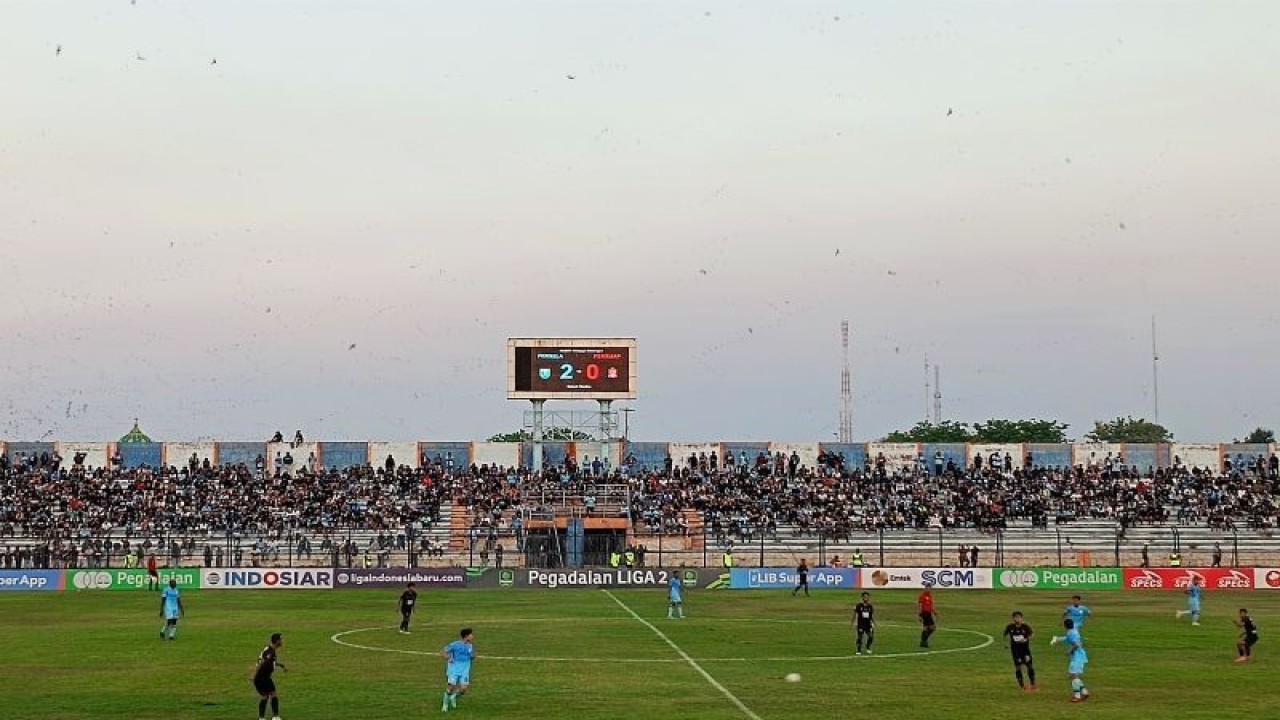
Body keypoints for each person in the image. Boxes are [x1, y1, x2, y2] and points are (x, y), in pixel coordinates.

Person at [1050, 619, 1090, 702]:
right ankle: (1084, 692)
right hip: (1079, 655)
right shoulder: (1073, 631)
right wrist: (1057, 639)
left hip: (1077, 656)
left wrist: (1069, 651)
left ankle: (1077, 696)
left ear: (1065, 626)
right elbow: (1067, 638)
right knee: (1074, 675)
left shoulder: (1071, 633)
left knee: (1073, 675)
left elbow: (1077, 644)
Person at [252, 633, 286, 720]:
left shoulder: (271, 650)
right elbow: (261, 663)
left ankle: (274, 716)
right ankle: (264, 718)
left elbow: (271, 662)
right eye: (281, 639)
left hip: (266, 677)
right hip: (261, 677)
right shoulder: (269, 652)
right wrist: (253, 676)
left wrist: (281, 665)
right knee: (266, 696)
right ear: (277, 641)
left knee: (272, 694)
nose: (282, 641)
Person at [440, 628, 475, 712]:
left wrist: (472, 656)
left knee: (463, 689)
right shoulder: (455, 644)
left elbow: (471, 656)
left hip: (465, 669)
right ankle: (445, 704)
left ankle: (453, 697)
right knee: (451, 687)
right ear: (466, 636)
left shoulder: (470, 645)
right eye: (471, 635)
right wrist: (449, 658)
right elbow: (442, 652)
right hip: (454, 668)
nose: (473, 636)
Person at [1003, 611, 1037, 691]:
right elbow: (1004, 635)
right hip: (1015, 651)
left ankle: (1032, 684)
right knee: (1018, 667)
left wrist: (1026, 639)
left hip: (1025, 650)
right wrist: (1006, 644)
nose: (1017, 619)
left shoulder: (1026, 626)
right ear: (1013, 618)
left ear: (1022, 618)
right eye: (1015, 617)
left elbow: (1032, 634)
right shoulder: (1010, 627)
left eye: (1019, 617)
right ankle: (1022, 686)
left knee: (1029, 666)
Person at [918, 582, 938, 648]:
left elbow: (930, 605)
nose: (928, 589)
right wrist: (920, 615)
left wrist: (934, 611)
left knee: (926, 628)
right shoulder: (922, 595)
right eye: (927, 587)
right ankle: (923, 641)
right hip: (924, 613)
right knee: (932, 627)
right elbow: (920, 605)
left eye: (929, 588)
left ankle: (923, 642)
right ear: (925, 588)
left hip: (929, 613)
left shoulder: (930, 596)